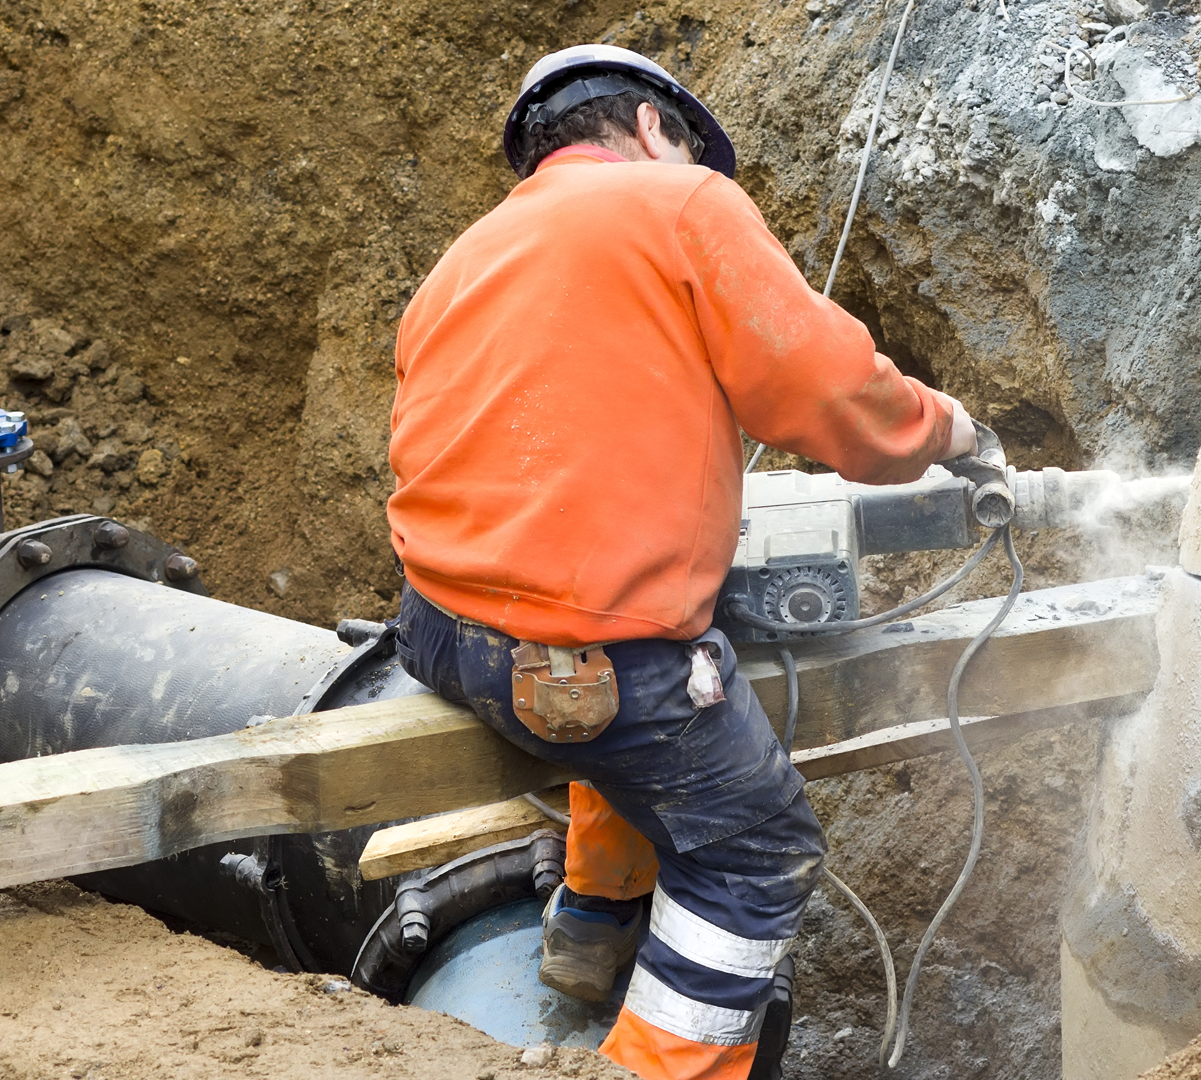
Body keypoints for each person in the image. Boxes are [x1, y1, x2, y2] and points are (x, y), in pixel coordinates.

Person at [385, 44, 983, 1080]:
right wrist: (948, 433)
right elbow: (828, 395)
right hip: (585, 665)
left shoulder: (470, 253)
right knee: (756, 851)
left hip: (436, 629)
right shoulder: (682, 200)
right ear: (658, 129)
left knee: (632, 731)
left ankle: (592, 925)